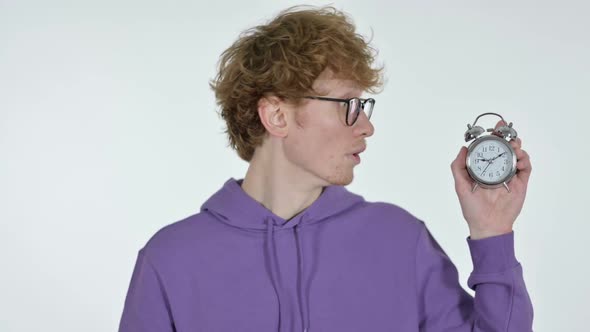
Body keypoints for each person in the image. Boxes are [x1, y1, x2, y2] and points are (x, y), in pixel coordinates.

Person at [118, 6, 534, 332]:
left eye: (365, 106)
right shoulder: (170, 260)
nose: (367, 126)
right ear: (277, 116)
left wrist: (492, 232)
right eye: (348, 105)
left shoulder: (401, 241)